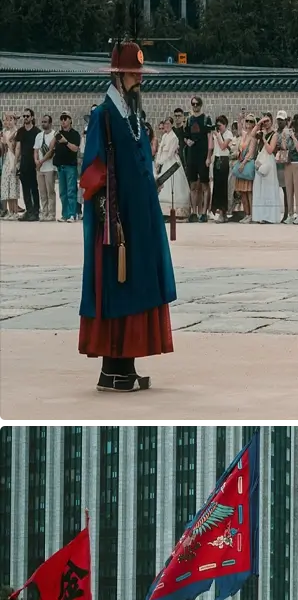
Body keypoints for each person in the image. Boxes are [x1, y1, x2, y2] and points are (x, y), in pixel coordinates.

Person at [79, 41, 176, 391]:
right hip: (116, 220)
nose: (140, 79)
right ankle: (113, 366)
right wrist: (108, 210)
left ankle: (125, 366)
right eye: (135, 74)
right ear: (119, 75)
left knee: (136, 284)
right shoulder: (102, 115)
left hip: (141, 218)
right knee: (116, 286)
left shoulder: (133, 114)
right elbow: (92, 169)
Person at [252, 113, 282, 224]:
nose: (266, 123)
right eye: (264, 121)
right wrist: (259, 123)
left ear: (272, 121)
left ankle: (269, 216)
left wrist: (264, 138)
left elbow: (270, 150)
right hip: (260, 162)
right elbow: (251, 134)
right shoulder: (260, 132)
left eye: (268, 121)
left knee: (268, 190)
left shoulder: (274, 134)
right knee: (260, 189)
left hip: (269, 162)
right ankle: (260, 216)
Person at [53, 112, 80, 222]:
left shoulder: (75, 134)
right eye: (61, 119)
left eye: (65, 118)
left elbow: (75, 148)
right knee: (63, 192)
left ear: (70, 120)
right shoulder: (58, 134)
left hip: (70, 167)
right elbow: (51, 147)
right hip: (60, 166)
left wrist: (66, 142)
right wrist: (55, 137)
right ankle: (65, 214)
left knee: (71, 191)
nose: (63, 121)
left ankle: (72, 214)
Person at [15, 107, 40, 220]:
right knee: (25, 188)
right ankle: (28, 210)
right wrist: (16, 163)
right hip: (24, 162)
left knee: (34, 188)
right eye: (24, 116)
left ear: (32, 117)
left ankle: (36, 211)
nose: (25, 118)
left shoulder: (37, 132)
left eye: (27, 116)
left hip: (33, 162)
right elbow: (18, 148)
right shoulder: (20, 131)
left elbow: (38, 149)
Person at [33, 113, 56, 221]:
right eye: (42, 122)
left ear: (50, 123)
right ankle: (44, 212)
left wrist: (41, 161)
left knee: (50, 191)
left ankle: (51, 213)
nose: (43, 124)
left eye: (45, 122)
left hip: (50, 168)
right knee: (42, 192)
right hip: (40, 168)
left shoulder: (54, 135)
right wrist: (36, 161)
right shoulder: (39, 135)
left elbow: (51, 152)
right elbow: (36, 150)